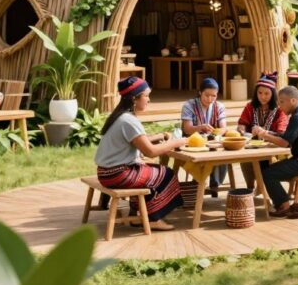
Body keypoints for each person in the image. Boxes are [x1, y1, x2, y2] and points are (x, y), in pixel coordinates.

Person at [95, 76, 188, 231]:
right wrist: (178, 142)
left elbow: (135, 141)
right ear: (134, 98)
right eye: (146, 95)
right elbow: (150, 152)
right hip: (118, 175)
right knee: (166, 173)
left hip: (107, 173)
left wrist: (159, 136)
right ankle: (153, 218)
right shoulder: (129, 121)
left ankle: (138, 214)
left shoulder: (121, 116)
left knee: (153, 171)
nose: (149, 100)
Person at [258, 85, 298, 219]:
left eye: (282, 101)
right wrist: (269, 133)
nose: (279, 105)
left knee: (268, 173)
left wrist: (264, 135)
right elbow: (286, 136)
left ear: (293, 101)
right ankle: (284, 202)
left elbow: (284, 143)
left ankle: (284, 206)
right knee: (267, 168)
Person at [237, 72, 289, 188]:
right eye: (260, 93)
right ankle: (250, 188)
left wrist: (263, 132)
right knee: (245, 159)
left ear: (273, 94)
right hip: (252, 146)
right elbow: (242, 123)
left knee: (264, 161)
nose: (263, 96)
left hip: (272, 149)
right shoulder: (250, 107)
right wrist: (241, 130)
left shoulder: (280, 110)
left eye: (266, 93)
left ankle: (266, 187)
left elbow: (281, 133)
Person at [181, 77, 228, 196]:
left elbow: (223, 128)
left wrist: (215, 133)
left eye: (214, 96)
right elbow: (187, 128)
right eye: (207, 95)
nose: (210, 99)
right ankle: (199, 182)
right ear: (200, 93)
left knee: (222, 153)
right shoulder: (189, 105)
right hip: (192, 142)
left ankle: (214, 185)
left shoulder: (219, 106)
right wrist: (200, 127)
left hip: (212, 141)